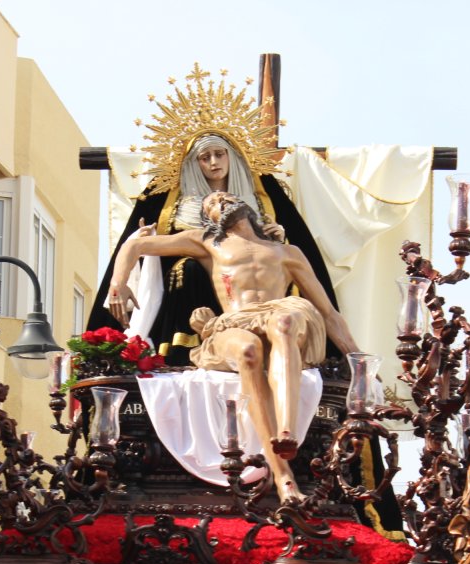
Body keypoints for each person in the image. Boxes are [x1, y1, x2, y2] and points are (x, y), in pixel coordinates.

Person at [108, 192, 360, 503]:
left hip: (278, 318)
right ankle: (282, 474)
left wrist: (358, 362)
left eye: (227, 196)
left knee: (284, 322)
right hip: (233, 324)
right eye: (211, 202)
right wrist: (118, 284)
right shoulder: (207, 242)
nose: (221, 200)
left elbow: (330, 314)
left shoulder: (287, 253)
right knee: (248, 350)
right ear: (208, 219)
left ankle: (285, 431)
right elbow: (136, 245)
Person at [87, 134, 342, 366]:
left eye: (219, 154)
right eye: (204, 157)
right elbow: (137, 243)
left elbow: (290, 252)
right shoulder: (174, 205)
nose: (213, 163)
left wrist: (278, 240)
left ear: (232, 155)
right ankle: (182, 349)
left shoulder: (265, 196)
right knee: (190, 267)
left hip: (253, 298)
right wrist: (119, 281)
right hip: (192, 286)